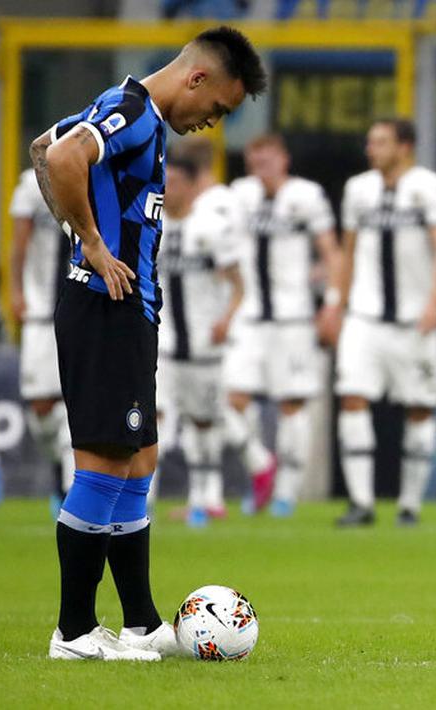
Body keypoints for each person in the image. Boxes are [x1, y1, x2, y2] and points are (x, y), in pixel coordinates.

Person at [29, 26, 265, 661]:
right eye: (215, 109)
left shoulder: (144, 117)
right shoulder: (133, 111)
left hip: (131, 309)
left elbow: (40, 145)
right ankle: (73, 631)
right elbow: (61, 159)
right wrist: (93, 244)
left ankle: (139, 622)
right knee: (105, 460)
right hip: (106, 305)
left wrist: (82, 232)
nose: (209, 124)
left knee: (140, 458)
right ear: (197, 79)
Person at [332, 118, 436, 527]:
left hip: (413, 318)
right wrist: (337, 304)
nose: (371, 149)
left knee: (420, 408)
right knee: (352, 397)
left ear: (405, 146)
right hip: (365, 316)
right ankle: (362, 503)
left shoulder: (428, 188)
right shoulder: (357, 189)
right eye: (370, 141)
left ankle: (409, 505)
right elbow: (348, 253)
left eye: (381, 141)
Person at [226, 133, 340, 517]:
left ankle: (286, 494)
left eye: (269, 160)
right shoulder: (237, 196)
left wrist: (332, 303)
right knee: (231, 399)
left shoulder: (306, 196)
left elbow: (330, 251)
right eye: (256, 161)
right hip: (250, 315)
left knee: (293, 403)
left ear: (284, 160)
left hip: (293, 317)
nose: (263, 168)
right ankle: (261, 466)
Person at [158, 151, 244, 528]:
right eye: (165, 180)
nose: (167, 188)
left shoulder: (212, 228)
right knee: (154, 419)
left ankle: (205, 497)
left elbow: (239, 284)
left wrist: (226, 319)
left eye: (175, 182)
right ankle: (141, 504)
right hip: (162, 342)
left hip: (205, 346)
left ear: (193, 187)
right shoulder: (152, 226)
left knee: (203, 422)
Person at [10, 167, 74, 518]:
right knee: (40, 409)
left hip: (80, 308)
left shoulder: (98, 178)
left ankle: (68, 487)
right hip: (39, 310)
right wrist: (16, 291)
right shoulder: (30, 185)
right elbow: (19, 242)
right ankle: (56, 469)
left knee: (72, 401)